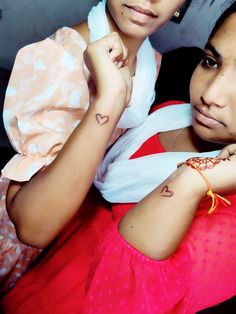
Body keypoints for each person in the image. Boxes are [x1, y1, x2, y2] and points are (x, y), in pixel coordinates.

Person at [2, 2, 236, 313]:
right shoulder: (170, 111)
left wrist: (191, 179)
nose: (211, 95)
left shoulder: (223, 204)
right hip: (31, 280)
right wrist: (108, 102)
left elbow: (125, 296)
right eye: (210, 62)